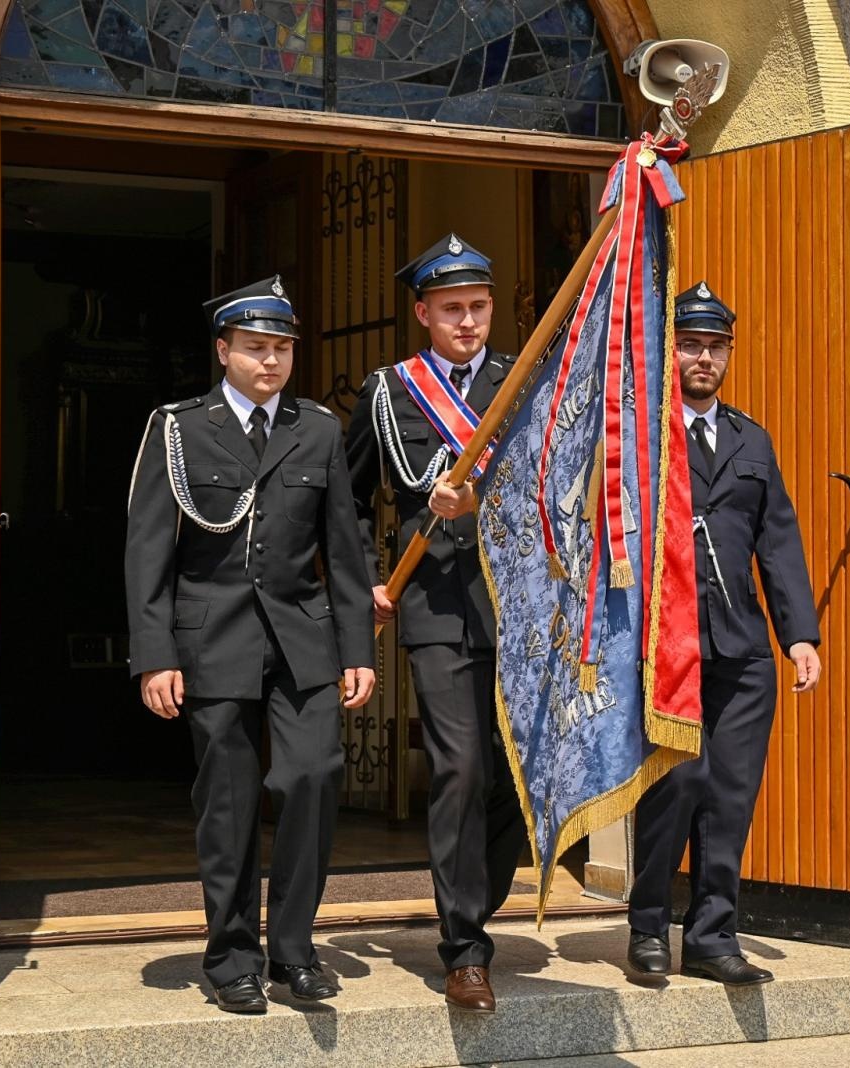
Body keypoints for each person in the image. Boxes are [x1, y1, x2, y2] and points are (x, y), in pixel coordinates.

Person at [124, 275, 375, 1013]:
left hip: (303, 641)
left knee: (312, 777)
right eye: (256, 349)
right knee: (229, 804)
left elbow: (345, 551)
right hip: (212, 641)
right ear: (224, 350)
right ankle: (231, 954)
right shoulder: (177, 427)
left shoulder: (319, 428)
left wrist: (357, 649)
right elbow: (146, 552)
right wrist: (155, 654)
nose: (271, 362)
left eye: (282, 349)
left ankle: (294, 950)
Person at [625, 280, 824, 986]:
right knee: (679, 784)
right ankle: (647, 927)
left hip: (740, 646)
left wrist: (800, 634)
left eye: (714, 346)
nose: (702, 358)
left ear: (728, 354)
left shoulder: (751, 439)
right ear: (668, 349)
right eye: (689, 344)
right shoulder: (639, 434)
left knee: (731, 792)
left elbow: (778, 541)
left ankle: (712, 936)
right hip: (665, 643)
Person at [345, 233, 524, 1014]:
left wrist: (481, 501)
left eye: (478, 307)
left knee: (511, 780)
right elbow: (345, 503)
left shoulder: (525, 384)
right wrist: (364, 585)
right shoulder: (388, 393)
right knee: (457, 769)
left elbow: (555, 490)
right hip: (436, 608)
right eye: (452, 309)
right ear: (423, 313)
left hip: (519, 607)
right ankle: (465, 949)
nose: (467, 322)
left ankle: (476, 909)